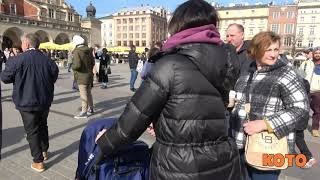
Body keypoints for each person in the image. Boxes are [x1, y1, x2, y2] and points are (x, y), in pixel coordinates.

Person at [95, 1, 242, 179]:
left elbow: (133, 120)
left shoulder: (170, 64)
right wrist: (162, 122)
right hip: (221, 163)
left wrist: (105, 142)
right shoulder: (226, 62)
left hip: (179, 167)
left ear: (178, 25)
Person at [231, 31, 309, 180]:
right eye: (268, 50)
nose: (273, 55)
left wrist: (265, 124)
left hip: (269, 146)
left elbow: (301, 110)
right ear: (255, 51)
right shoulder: (248, 71)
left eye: (275, 49)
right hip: (241, 143)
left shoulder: (286, 73)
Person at [1, 33, 59, 172]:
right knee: (42, 125)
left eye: (22, 43)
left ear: (26, 44)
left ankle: (38, 161)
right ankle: (44, 151)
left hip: (26, 101)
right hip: (44, 100)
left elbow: (5, 77)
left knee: (32, 131)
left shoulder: (17, 60)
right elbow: (54, 76)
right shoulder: (48, 60)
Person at [72, 35, 95, 119]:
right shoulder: (89, 50)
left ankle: (84, 111)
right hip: (89, 75)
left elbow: (77, 65)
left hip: (81, 76)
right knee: (88, 93)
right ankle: (91, 109)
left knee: (83, 94)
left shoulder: (77, 51)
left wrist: (72, 66)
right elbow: (93, 63)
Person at [304, 47, 320, 137]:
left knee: (317, 111)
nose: (317, 54)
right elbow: (301, 73)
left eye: (319, 53)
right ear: (313, 54)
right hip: (306, 89)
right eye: (316, 53)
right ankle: (300, 125)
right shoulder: (307, 63)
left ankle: (315, 129)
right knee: (303, 109)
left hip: (317, 91)